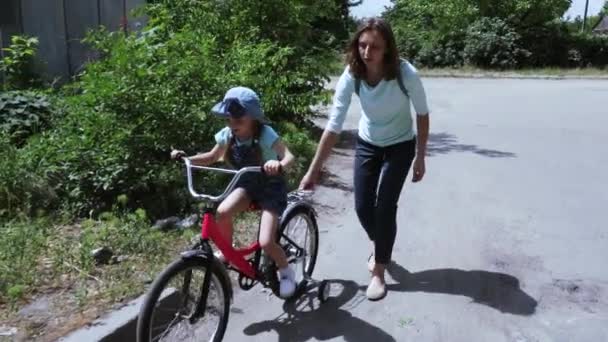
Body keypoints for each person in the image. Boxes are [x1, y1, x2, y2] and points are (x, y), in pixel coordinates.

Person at [299, 18, 430, 301]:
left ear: (388, 49)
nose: (367, 52)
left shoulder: (405, 73)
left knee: (384, 207)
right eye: (362, 44)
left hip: (400, 145)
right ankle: (382, 242)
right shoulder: (353, 74)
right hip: (369, 143)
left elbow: (422, 113)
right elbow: (333, 125)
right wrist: (313, 170)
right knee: (362, 207)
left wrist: (420, 156)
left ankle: (379, 272)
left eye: (375, 46)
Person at [171, 86, 297, 298]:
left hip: (270, 188)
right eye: (229, 119)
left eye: (238, 119)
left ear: (253, 118)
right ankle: (228, 253)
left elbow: (289, 156)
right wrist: (187, 159)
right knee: (222, 211)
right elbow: (212, 157)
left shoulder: (265, 134)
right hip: (246, 185)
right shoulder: (227, 136)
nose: (232, 124)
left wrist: (279, 164)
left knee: (266, 241)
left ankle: (286, 271)